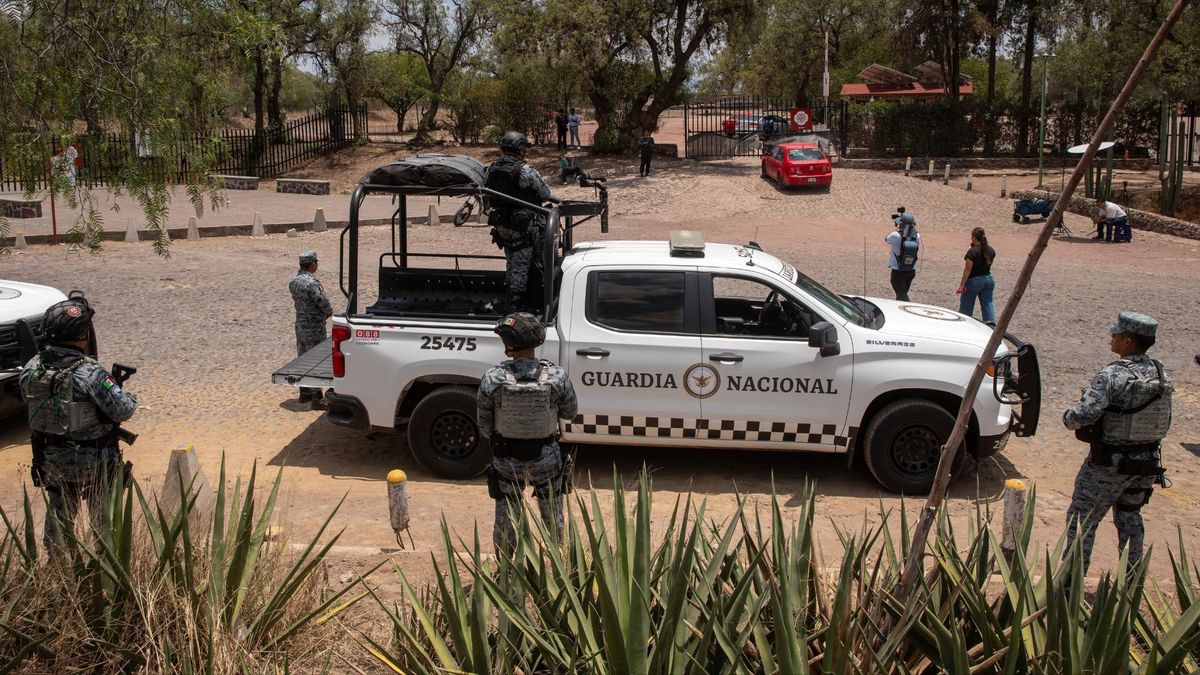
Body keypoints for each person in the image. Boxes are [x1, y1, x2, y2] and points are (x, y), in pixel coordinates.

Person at [19, 297, 138, 551]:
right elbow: (124, 410)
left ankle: (57, 572)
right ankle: (104, 574)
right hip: (96, 463)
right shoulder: (91, 373)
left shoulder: (31, 368)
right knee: (104, 527)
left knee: (59, 525)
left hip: (51, 460)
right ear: (83, 335)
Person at [1062, 311, 1172, 573]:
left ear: (1129, 341)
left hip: (1109, 464)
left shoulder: (1113, 375)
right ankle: (1131, 583)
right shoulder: (1161, 373)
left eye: (1118, 334)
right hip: (1146, 464)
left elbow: (1084, 414)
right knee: (1130, 517)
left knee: (1082, 520)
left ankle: (1070, 587)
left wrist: (1068, 418)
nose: (1112, 337)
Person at [477, 312, 578, 556]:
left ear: (509, 345)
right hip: (546, 457)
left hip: (506, 458)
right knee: (553, 515)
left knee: (506, 513)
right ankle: (557, 566)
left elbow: (484, 424)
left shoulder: (493, 377)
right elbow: (570, 413)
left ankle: (506, 570)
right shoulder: (557, 376)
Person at [485, 131, 556, 312]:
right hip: (523, 226)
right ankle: (517, 308)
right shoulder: (525, 169)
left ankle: (517, 302)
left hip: (502, 225)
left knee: (512, 262)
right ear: (520, 149)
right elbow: (545, 193)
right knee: (525, 266)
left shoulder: (492, 168)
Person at [289, 250, 334, 408]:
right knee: (316, 360)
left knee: (303, 358)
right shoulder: (312, 282)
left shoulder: (294, 281)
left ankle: (304, 392)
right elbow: (322, 301)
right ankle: (317, 397)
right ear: (312, 264)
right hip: (314, 326)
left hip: (300, 324)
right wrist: (329, 312)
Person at [956, 227, 997, 324]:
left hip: (974, 281)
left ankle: (963, 324)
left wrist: (962, 285)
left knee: (966, 305)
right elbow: (989, 264)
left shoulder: (972, 252)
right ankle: (991, 326)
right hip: (988, 280)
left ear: (974, 237)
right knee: (988, 303)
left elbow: (968, 269)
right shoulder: (991, 250)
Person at [885, 212, 920, 301]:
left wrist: (897, 229)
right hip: (911, 269)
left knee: (902, 295)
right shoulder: (917, 236)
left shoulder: (896, 235)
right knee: (902, 293)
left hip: (898, 270)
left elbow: (886, 239)